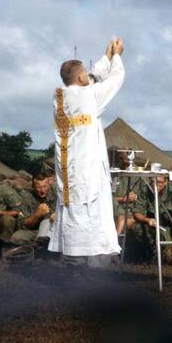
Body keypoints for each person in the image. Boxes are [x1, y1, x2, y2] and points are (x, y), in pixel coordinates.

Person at [48, 38, 125, 270]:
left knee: (74, 213)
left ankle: (73, 260)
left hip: (69, 166)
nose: (87, 76)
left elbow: (89, 78)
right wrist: (118, 57)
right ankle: (85, 265)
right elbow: (115, 79)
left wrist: (106, 56)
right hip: (87, 166)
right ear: (80, 78)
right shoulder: (90, 97)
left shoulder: (60, 97)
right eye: (84, 73)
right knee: (88, 212)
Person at [132, 175, 172, 266]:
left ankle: (164, 254)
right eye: (153, 182)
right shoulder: (145, 190)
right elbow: (137, 212)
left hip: (171, 227)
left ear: (165, 182)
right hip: (153, 226)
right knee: (137, 228)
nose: (156, 185)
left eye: (159, 182)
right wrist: (147, 219)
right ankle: (150, 255)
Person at [9, 171, 57, 247]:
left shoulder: (56, 192)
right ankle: (39, 246)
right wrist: (37, 215)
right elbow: (25, 224)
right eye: (39, 187)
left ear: (49, 184)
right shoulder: (27, 197)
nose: (42, 190)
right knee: (16, 237)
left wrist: (59, 215)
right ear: (33, 187)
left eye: (45, 186)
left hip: (56, 228)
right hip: (36, 231)